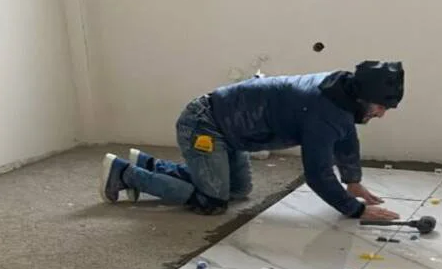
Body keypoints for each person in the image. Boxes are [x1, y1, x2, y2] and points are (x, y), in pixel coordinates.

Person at [99, 60, 404, 222]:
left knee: (239, 190)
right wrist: (354, 209)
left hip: (231, 132)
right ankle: (125, 173)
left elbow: (346, 137)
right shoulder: (324, 112)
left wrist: (353, 181)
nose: (382, 114)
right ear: (363, 98)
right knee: (212, 202)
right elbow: (317, 173)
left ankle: (149, 164)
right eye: (381, 107)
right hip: (205, 125)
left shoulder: (341, 93)